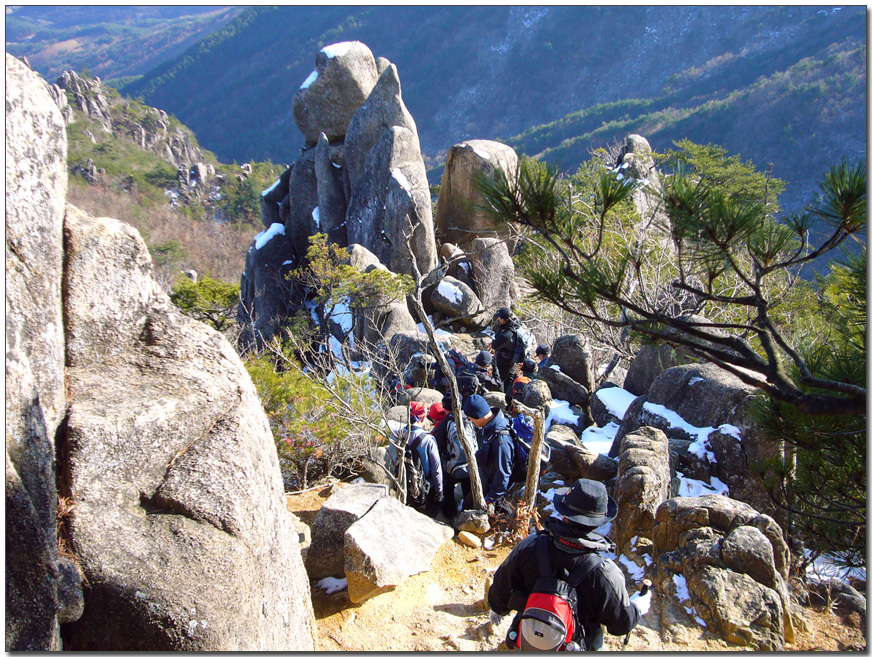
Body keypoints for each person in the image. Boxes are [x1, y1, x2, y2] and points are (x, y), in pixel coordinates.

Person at [487, 479, 651, 650]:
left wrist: (497, 610)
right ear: (599, 522)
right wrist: (637, 606)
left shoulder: (530, 546)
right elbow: (621, 625)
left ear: (564, 514)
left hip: (528, 642)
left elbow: (498, 595)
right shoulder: (605, 572)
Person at [461, 394, 514, 513]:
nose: (470, 421)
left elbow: (503, 472)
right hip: (485, 482)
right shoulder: (490, 426)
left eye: (470, 418)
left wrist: (491, 498)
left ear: (478, 416)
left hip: (493, 490)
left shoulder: (501, 440)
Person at [430, 397, 475, 518]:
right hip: (470, 464)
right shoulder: (470, 418)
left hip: (451, 467)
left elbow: (437, 447)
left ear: (444, 407)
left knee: (448, 489)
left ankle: (450, 514)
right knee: (468, 489)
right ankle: (469, 513)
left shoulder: (445, 424)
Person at [403, 401, 444, 518]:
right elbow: (436, 469)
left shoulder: (400, 434)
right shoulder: (428, 439)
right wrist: (439, 491)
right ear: (423, 417)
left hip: (406, 483)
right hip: (425, 487)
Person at [489, 307, 523, 392]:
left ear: (504, 319)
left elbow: (495, 345)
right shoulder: (511, 326)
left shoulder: (508, 334)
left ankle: (501, 397)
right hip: (509, 360)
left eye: (500, 318)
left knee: (501, 381)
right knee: (508, 380)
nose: (499, 320)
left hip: (505, 362)